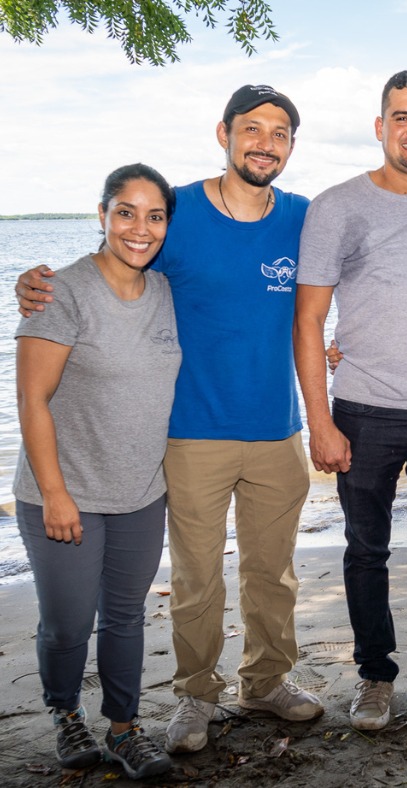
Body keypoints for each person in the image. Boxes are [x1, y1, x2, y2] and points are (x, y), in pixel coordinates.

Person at [15, 85, 323, 754]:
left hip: (277, 429)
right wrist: (33, 284)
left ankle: (267, 681)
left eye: (279, 132)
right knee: (196, 578)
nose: (264, 142)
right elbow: (110, 257)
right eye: (252, 128)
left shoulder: (303, 215)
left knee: (274, 573)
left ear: (291, 146)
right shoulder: (177, 212)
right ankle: (194, 696)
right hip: (189, 434)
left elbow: (365, 257)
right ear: (224, 133)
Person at [293, 70, 407, 731]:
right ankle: (375, 675)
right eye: (401, 116)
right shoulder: (337, 205)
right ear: (380, 127)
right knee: (366, 550)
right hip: (366, 409)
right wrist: (320, 420)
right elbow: (308, 319)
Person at [14, 164, 178, 779]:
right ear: (102, 215)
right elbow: (31, 400)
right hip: (65, 493)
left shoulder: (165, 290)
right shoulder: (62, 292)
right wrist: (54, 495)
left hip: (141, 492)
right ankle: (64, 712)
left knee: (126, 617)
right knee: (67, 623)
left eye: (154, 215)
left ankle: (124, 726)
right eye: (126, 212)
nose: (140, 228)